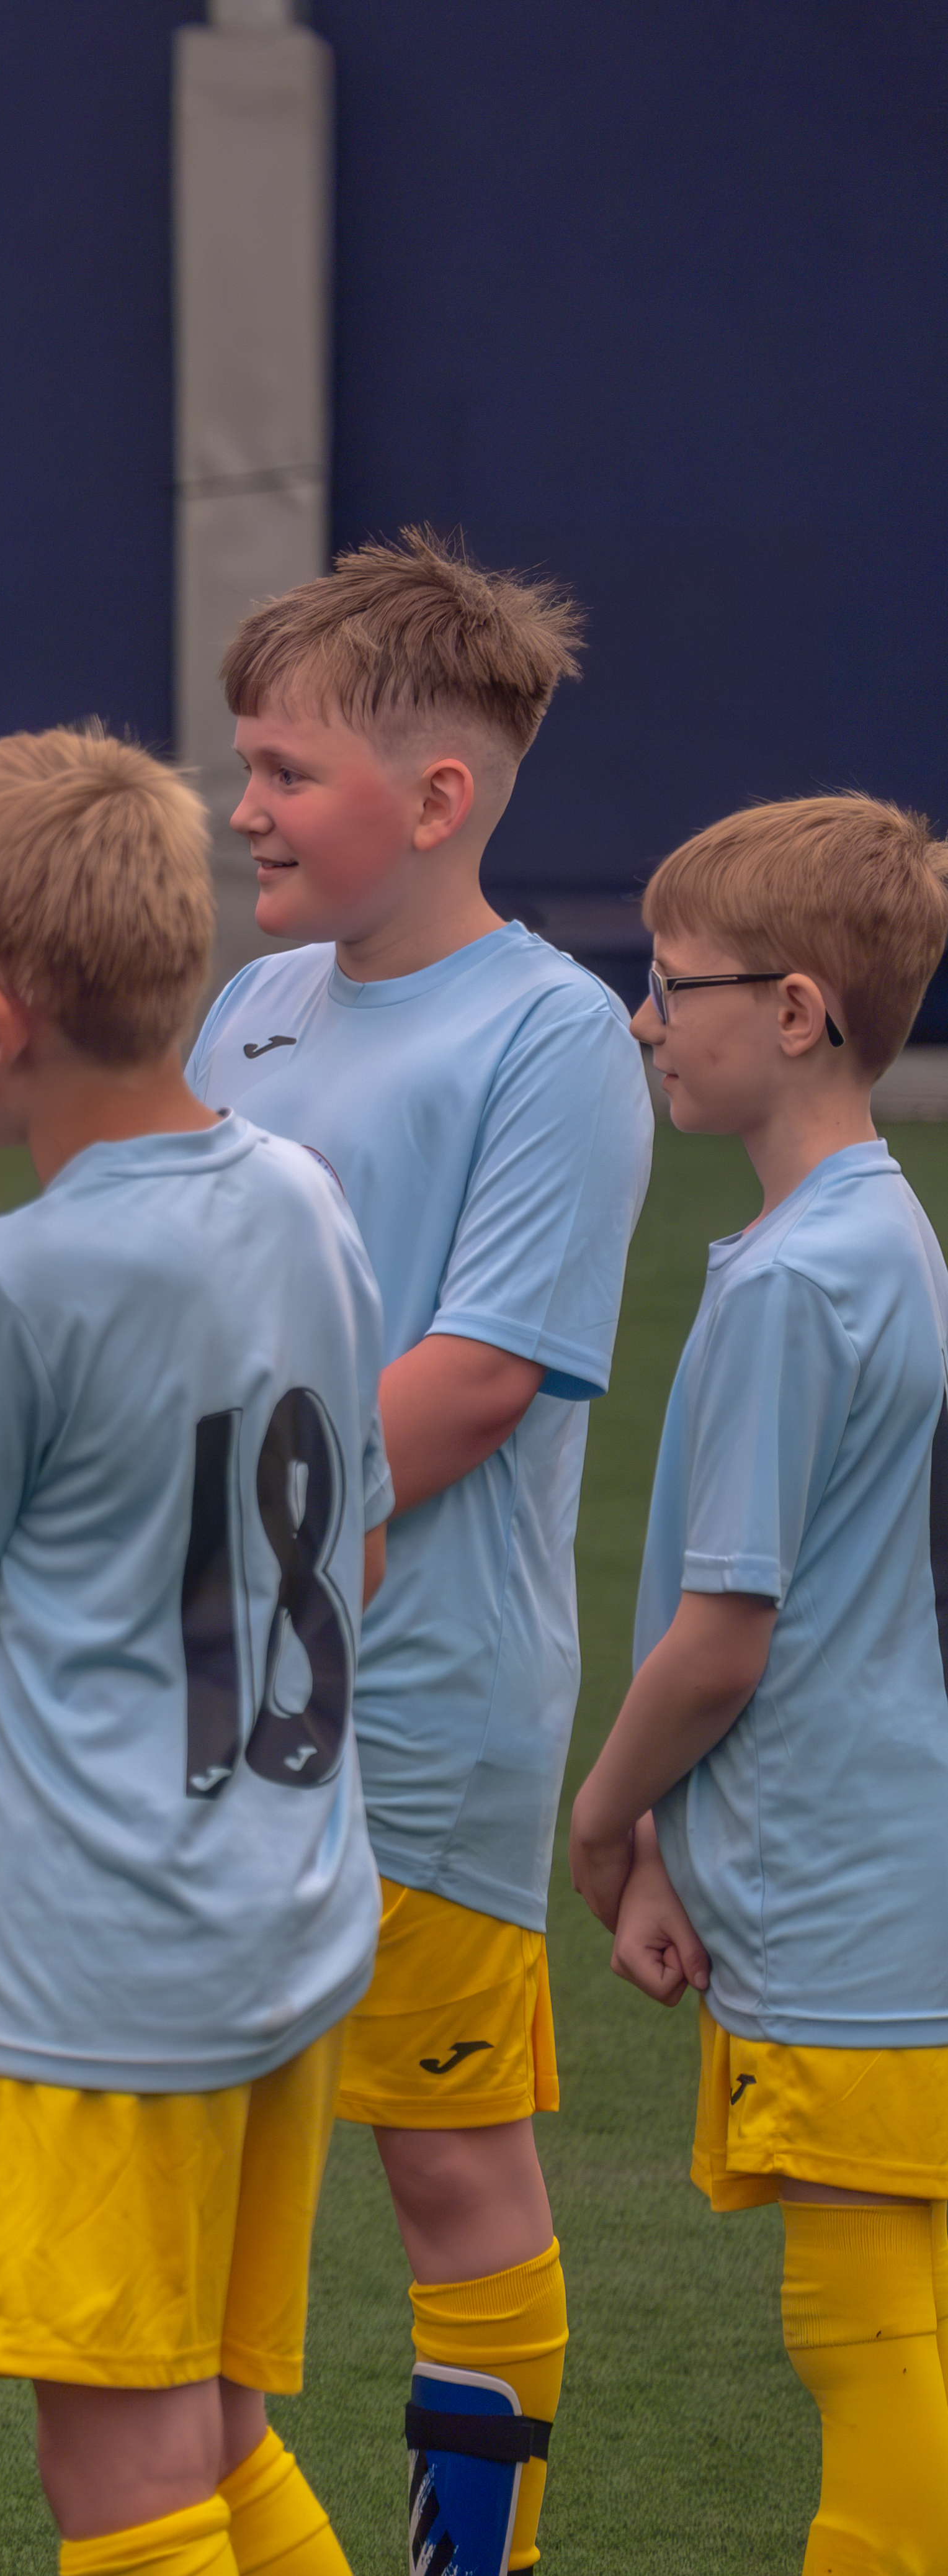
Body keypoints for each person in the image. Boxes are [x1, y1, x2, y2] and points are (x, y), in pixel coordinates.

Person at [0, 726, 387, 2576]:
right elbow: (362, 1529)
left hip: (104, 1965)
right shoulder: (302, 1195)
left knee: (124, 2481)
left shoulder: (22, 1274)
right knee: (219, 2430)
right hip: (285, 1903)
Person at [182, 533, 648, 2575]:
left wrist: (211, 1553)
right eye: (244, 764)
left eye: (283, 772)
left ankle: (478, 2561)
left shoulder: (548, 1039)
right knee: (199, 2165)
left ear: (435, 800)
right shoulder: (254, 1005)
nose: (240, 808)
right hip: (214, 1698)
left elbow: (472, 1383)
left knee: (445, 2169)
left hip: (422, 1719)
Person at [568, 795, 948, 2575]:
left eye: (669, 985)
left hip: (838, 1882)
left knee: (863, 2329)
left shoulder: (799, 1280)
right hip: (873, 1859)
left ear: (792, 1011)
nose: (644, 1019)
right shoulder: (881, 1234)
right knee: (889, 2313)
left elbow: (723, 1638)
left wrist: (603, 1813)